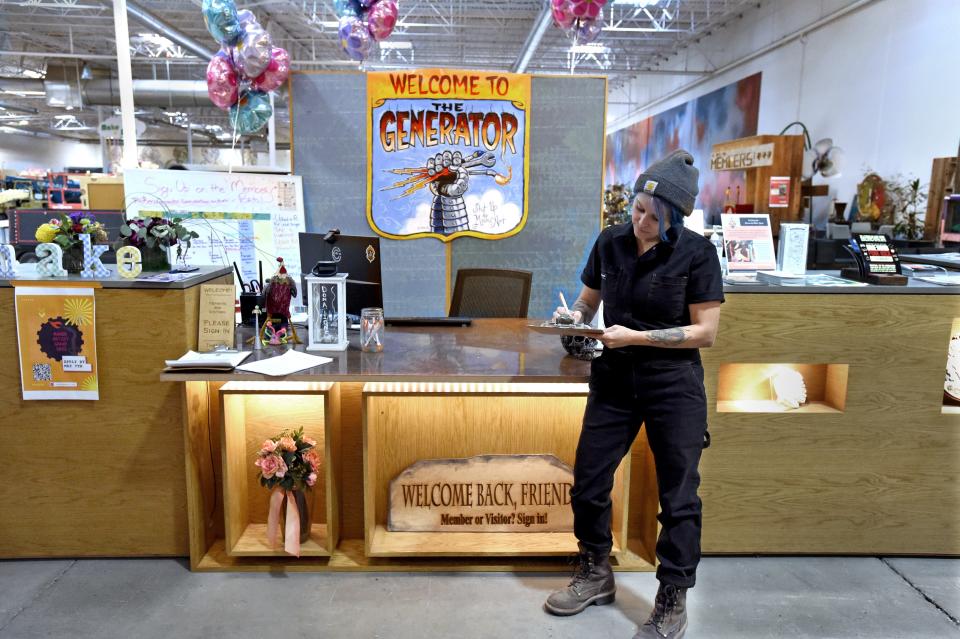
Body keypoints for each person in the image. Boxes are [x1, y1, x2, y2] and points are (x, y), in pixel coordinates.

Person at [544, 150, 724, 639]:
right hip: (615, 379)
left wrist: (638, 337)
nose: (640, 220)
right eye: (637, 209)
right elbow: (586, 299)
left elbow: (706, 332)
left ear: (675, 216)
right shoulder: (610, 243)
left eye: (652, 215)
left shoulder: (697, 254)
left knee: (679, 496)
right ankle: (596, 571)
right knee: (588, 480)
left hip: (674, 385)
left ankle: (672, 598)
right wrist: (574, 319)